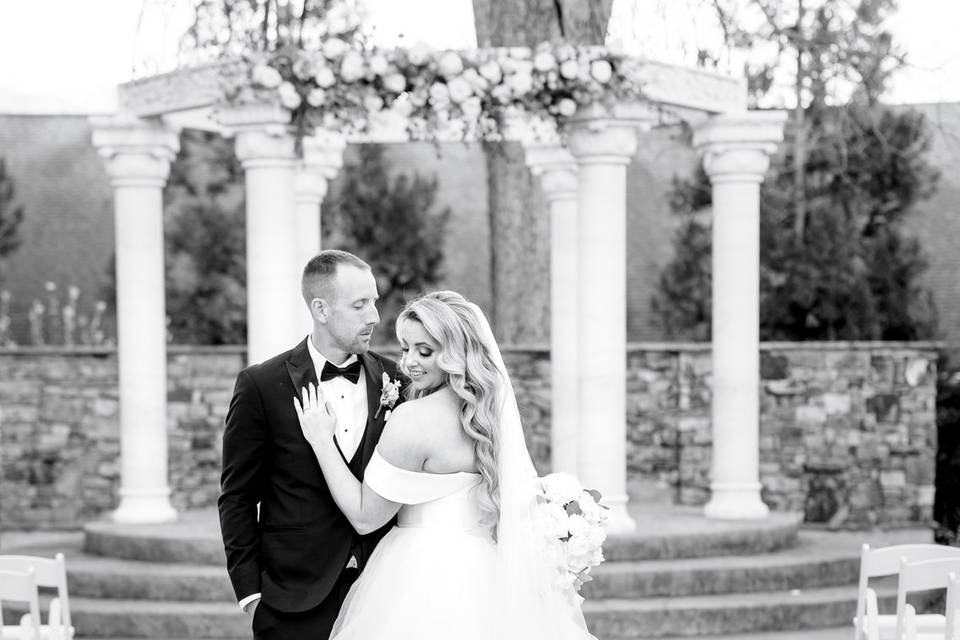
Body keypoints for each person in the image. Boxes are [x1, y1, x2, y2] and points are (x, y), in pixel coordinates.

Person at [295, 290, 597, 639]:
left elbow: (365, 517)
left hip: (419, 572)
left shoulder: (413, 420)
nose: (408, 362)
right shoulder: (490, 419)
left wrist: (321, 441)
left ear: (457, 354)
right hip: (486, 569)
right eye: (405, 348)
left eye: (425, 351)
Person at [219, 250, 405, 640]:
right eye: (359, 305)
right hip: (293, 602)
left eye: (374, 301)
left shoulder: (396, 380)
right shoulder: (262, 385)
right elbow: (236, 497)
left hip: (385, 592)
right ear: (321, 309)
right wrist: (252, 596)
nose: (374, 315)